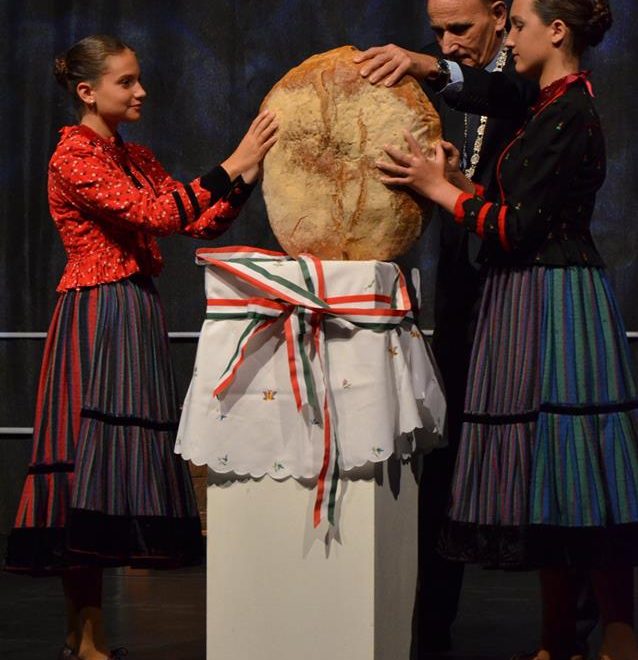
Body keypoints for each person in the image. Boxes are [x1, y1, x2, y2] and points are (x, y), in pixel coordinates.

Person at [376, 1, 638, 659]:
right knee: (546, 471)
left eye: (518, 25)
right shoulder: (548, 106)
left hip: (557, 296)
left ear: (556, 31)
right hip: (523, 292)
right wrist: (461, 182)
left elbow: (518, 228)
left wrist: (439, 190)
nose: (511, 40)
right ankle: (556, 638)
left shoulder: (567, 110)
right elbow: (512, 206)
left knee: (578, 467)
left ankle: (616, 635)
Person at [4, 34, 277, 660]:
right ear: (87, 91)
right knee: (85, 467)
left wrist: (244, 179)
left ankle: (86, 637)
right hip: (96, 313)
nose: (140, 91)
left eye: (137, 79)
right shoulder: (73, 156)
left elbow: (194, 219)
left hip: (133, 310)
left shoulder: (135, 155)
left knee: (113, 469)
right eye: (125, 81)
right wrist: (232, 161)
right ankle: (86, 637)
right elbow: (153, 215)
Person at [355, 1, 540, 653]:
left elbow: (506, 93)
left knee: (539, 455)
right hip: (465, 290)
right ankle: (430, 631)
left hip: (522, 292)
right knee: (446, 457)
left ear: (500, 15)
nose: (446, 42)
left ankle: (571, 630)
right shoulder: (461, 80)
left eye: (460, 28)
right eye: (435, 31)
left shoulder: (528, 70)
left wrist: (431, 67)